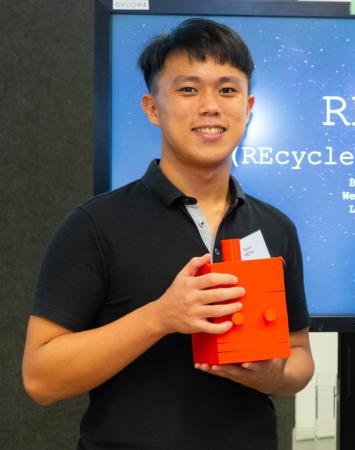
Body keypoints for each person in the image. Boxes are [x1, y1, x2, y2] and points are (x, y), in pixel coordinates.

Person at [22, 18, 314, 449]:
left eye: (227, 90)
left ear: (249, 107)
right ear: (152, 107)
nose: (210, 106)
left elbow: (300, 355)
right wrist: (160, 317)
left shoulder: (275, 227)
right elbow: (40, 378)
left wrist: (275, 376)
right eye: (188, 89)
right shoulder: (94, 225)